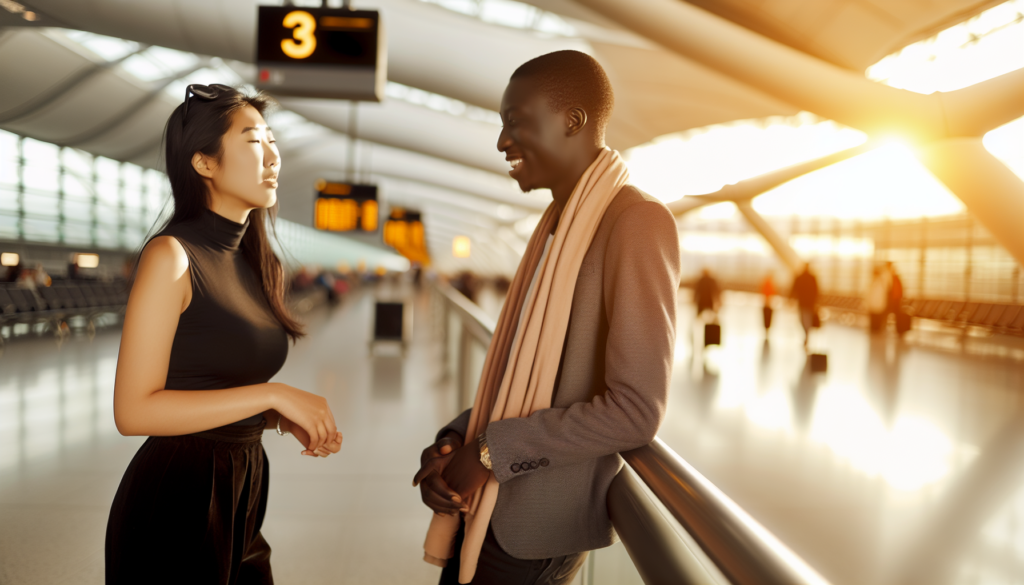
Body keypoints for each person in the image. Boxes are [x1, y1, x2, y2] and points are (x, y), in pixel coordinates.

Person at [413, 50, 681, 585]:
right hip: (489, 506)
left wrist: (490, 451)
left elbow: (635, 410)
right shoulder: (559, 228)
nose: (501, 142)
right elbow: (527, 378)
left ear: (572, 121)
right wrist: (455, 441)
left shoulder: (636, 222)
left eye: (514, 122)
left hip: (531, 533)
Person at [105, 84, 344, 585]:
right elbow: (133, 411)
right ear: (204, 163)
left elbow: (212, 385)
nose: (273, 157)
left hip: (242, 488)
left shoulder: (257, 261)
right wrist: (273, 393)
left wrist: (273, 416)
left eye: (273, 141)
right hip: (178, 498)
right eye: (255, 142)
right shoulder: (172, 256)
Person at [790, 263, 819, 348]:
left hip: (803, 303)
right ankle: (807, 334)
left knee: (803, 320)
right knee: (807, 320)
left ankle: (806, 335)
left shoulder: (801, 277)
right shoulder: (812, 278)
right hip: (809, 304)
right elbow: (816, 291)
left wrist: (790, 299)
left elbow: (794, 288)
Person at [865, 265, 890, 333]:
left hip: (878, 305)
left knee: (877, 323)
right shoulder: (874, 282)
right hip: (874, 305)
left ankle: (876, 331)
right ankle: (874, 331)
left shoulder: (882, 281)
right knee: (874, 323)